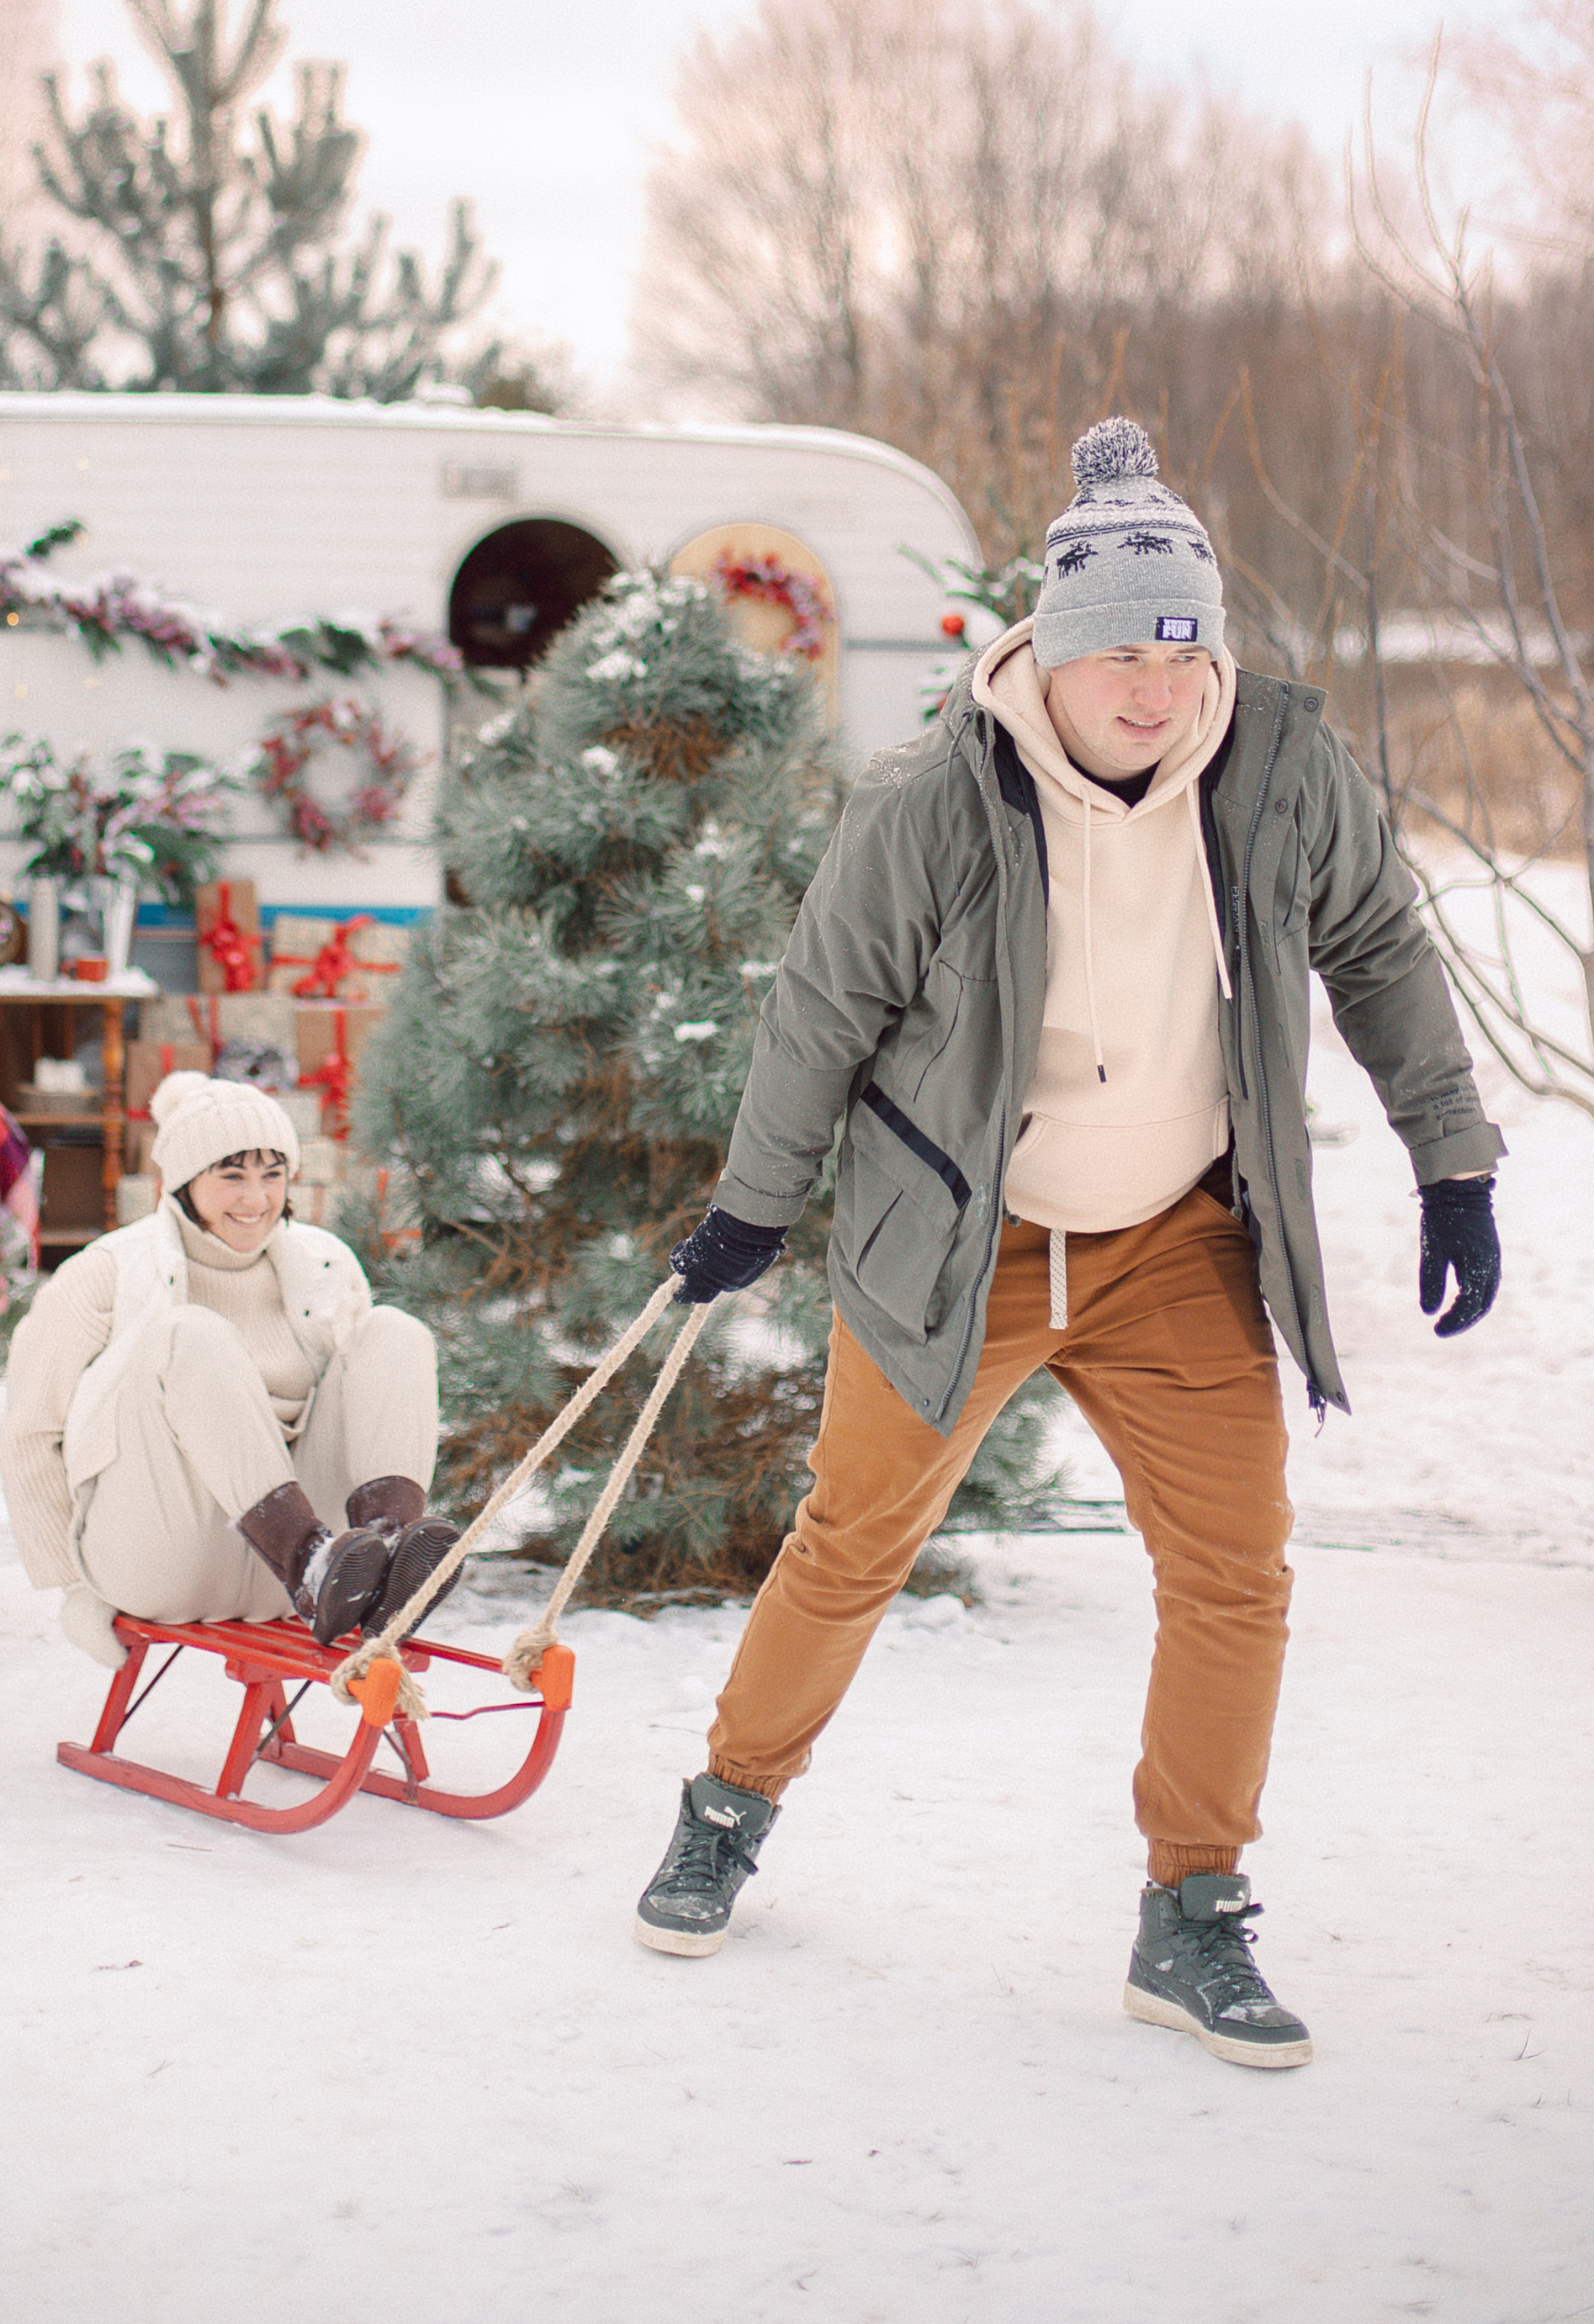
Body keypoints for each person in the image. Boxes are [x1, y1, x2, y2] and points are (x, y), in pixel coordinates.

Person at [633, 417, 1504, 2069]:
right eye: (1129, 659)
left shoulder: (1272, 770)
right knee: (846, 1545)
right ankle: (726, 1806)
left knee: (1234, 1572)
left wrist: (1447, 1164)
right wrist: (753, 1204)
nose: (1161, 692)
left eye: (1188, 654)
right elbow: (819, 1014)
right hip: (959, 1235)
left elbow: (1380, 951)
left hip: (1173, 1237)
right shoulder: (933, 802)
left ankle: (1191, 1910)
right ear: (1057, 648)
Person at [0, 1070, 458, 1664]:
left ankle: (385, 1557)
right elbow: (30, 1432)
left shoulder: (325, 1266)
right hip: (164, 1556)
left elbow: (368, 1413)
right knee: (187, 1334)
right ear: (183, 1182)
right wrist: (71, 1587)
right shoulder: (108, 1271)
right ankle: (311, 1562)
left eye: (272, 1175)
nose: (255, 1199)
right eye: (232, 1175)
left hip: (290, 1581)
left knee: (395, 1333)